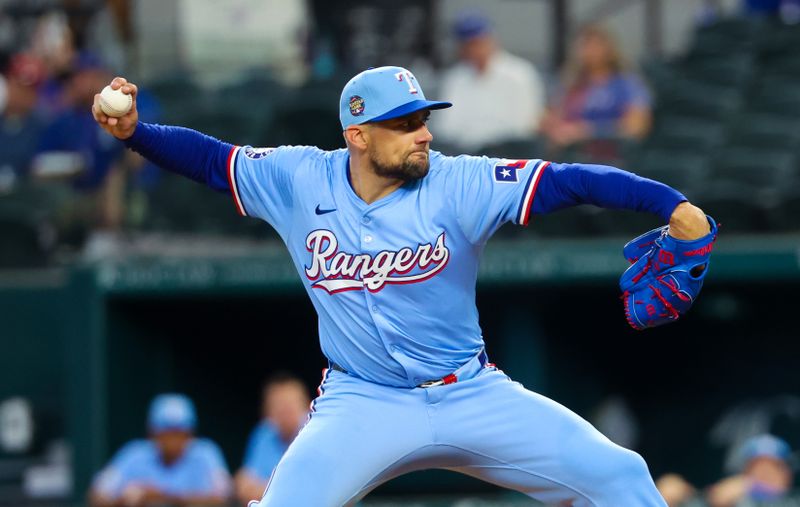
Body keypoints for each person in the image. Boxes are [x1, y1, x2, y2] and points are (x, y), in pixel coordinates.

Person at [92, 65, 711, 506]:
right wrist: (136, 135)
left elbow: (572, 180)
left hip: (471, 393)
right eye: (405, 122)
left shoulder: (460, 182)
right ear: (358, 135)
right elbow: (209, 158)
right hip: (363, 402)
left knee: (620, 475)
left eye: (423, 118)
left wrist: (671, 205)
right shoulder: (298, 179)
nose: (425, 132)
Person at [88, 393, 232, 507]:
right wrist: (127, 501)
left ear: (190, 434)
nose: (172, 440)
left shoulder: (206, 453)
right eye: (166, 432)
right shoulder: (134, 453)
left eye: (179, 432)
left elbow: (224, 500)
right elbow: (96, 496)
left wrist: (164, 497)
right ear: (152, 433)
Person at [434, 10, 545, 151]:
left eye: (478, 42)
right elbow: (446, 127)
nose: (474, 48)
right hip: (465, 155)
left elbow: (526, 125)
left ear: (491, 40)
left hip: (508, 153)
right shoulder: (455, 78)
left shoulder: (519, 73)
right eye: (468, 44)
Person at [540, 24, 652, 159]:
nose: (591, 51)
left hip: (612, 157)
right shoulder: (570, 83)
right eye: (585, 45)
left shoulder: (627, 83)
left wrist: (586, 131)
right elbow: (552, 116)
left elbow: (636, 127)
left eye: (596, 45)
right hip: (569, 155)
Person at [657, 434, 796, 507]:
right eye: (757, 468)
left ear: (786, 474)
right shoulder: (735, 499)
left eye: (771, 468)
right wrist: (684, 495)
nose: (764, 474)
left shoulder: (794, 500)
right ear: (745, 472)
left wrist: (753, 486)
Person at [235, 373, 311, 504]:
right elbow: (244, 486)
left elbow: (312, 490)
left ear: (306, 405)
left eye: (290, 404)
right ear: (268, 410)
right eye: (279, 405)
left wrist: (265, 488)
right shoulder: (264, 432)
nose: (285, 411)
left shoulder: (315, 431)